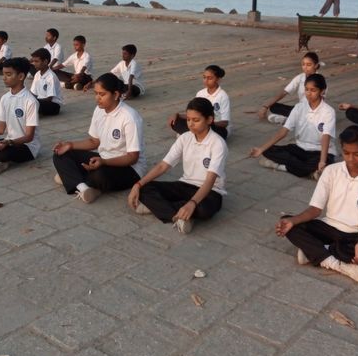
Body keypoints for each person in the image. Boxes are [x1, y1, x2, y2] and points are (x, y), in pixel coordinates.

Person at [274, 125, 358, 283]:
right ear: (341, 149)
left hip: (356, 234)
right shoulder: (331, 171)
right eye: (346, 153)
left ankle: (315, 251)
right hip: (329, 227)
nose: (351, 159)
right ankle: (336, 263)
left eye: (357, 154)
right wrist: (292, 221)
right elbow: (315, 210)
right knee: (291, 225)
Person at [129, 97, 227, 234]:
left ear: (210, 120)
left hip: (211, 191)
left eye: (196, 120)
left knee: (205, 209)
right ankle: (182, 216)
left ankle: (165, 209)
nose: (191, 124)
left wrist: (192, 203)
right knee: (145, 188)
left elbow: (210, 181)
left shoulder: (218, 144)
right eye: (188, 119)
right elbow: (163, 166)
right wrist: (138, 184)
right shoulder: (184, 138)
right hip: (185, 185)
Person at [52, 73, 146, 204]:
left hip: (129, 168)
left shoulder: (130, 117)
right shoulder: (99, 110)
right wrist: (70, 145)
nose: (97, 98)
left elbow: (132, 157)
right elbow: (94, 141)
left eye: (102, 94)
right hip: (102, 159)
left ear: (116, 95)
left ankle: (74, 178)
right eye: (95, 93)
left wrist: (104, 162)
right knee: (60, 154)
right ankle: (83, 187)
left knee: (99, 175)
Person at [250, 73, 336, 179]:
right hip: (300, 148)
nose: (309, 93)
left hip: (319, 151)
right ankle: (309, 172)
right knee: (269, 150)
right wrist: (261, 149)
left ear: (322, 91)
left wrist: (322, 161)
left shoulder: (328, 112)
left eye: (313, 90)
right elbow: (283, 131)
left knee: (321, 162)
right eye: (306, 89)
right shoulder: (299, 107)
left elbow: (325, 137)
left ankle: (282, 167)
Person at [258, 52, 321, 125]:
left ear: (316, 65)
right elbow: (284, 92)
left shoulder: (320, 80)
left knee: (304, 115)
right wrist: (265, 107)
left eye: (309, 65)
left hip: (312, 112)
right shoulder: (300, 77)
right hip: (300, 109)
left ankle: (291, 119)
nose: (305, 67)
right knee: (273, 107)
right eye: (303, 64)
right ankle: (292, 119)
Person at [169, 65, 231, 139]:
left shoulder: (223, 96)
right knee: (176, 122)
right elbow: (193, 113)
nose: (206, 80)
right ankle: (193, 134)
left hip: (216, 127)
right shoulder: (200, 93)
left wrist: (207, 123)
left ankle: (190, 135)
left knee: (203, 128)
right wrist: (177, 115)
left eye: (210, 78)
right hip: (199, 124)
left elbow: (225, 123)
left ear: (218, 79)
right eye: (204, 77)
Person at [29, 48, 63, 116]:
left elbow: (49, 99)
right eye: (33, 61)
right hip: (40, 101)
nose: (34, 64)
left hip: (53, 105)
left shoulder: (51, 76)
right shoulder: (37, 74)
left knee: (34, 104)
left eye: (36, 61)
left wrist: (34, 101)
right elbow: (33, 93)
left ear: (45, 61)